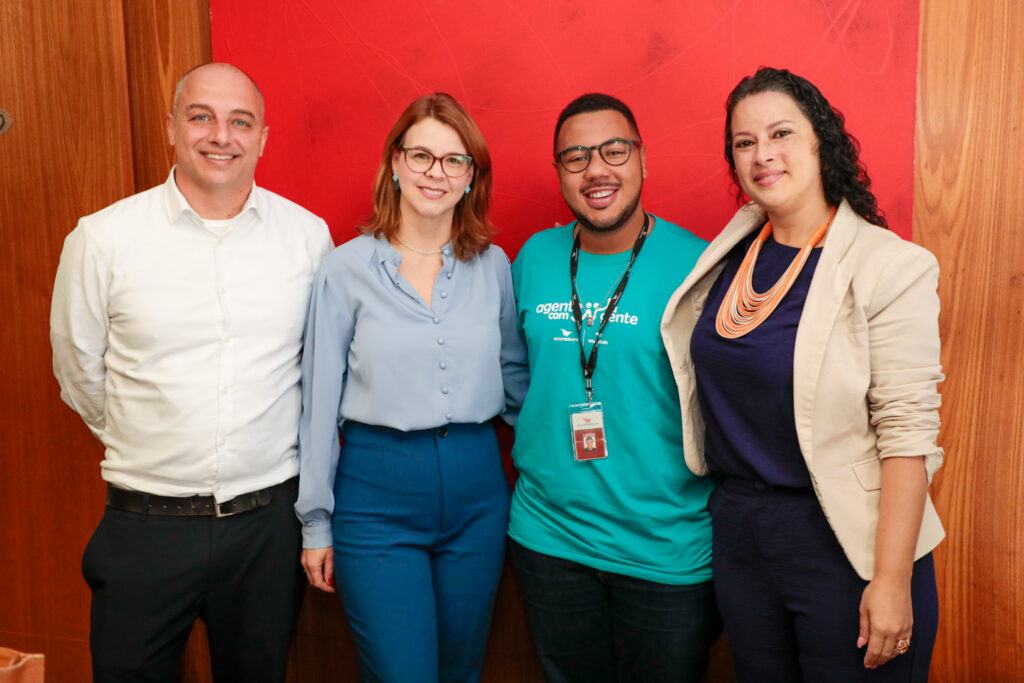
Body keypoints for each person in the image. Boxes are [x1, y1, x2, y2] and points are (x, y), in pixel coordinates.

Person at [50, 62, 333, 681]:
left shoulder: (308, 239)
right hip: (144, 527)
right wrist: (152, 438)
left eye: (241, 121)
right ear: (171, 128)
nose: (220, 136)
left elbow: (318, 374)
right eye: (201, 116)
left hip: (267, 530)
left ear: (263, 137)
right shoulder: (102, 240)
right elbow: (79, 373)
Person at [661, 67, 944, 682]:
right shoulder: (730, 252)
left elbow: (907, 434)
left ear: (821, 140)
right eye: (744, 141)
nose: (763, 154)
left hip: (847, 545)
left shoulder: (890, 267)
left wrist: (891, 581)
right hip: (742, 539)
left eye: (782, 133)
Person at [296, 93, 528, 682]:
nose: (436, 173)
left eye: (455, 161)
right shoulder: (344, 270)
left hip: (478, 491)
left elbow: (516, 382)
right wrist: (316, 522)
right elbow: (319, 404)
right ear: (394, 163)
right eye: (421, 155)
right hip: (377, 497)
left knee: (462, 671)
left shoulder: (495, 266)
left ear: (471, 176)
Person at [509, 93, 720, 682]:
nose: (596, 169)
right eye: (575, 157)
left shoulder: (699, 265)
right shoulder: (533, 257)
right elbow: (514, 374)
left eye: (613, 150)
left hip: (665, 548)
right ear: (559, 173)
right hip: (549, 539)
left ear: (642, 160)